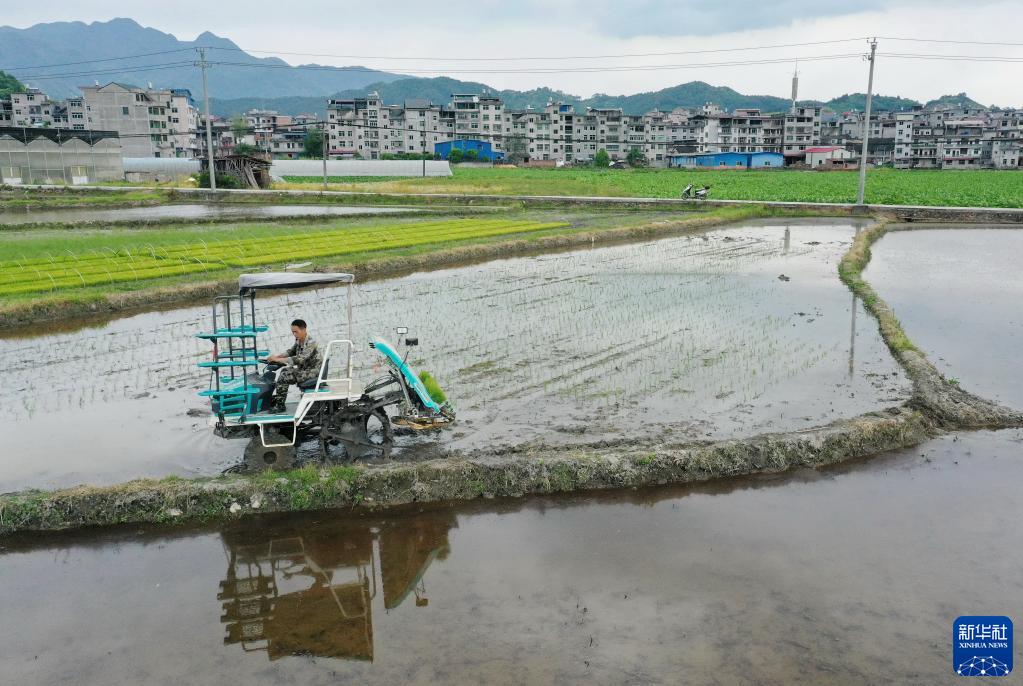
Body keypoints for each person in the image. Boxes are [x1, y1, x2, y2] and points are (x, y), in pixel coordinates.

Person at [266, 319, 321, 413]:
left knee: (284, 376)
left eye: (296, 332)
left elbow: (300, 359)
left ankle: (280, 406)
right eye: (293, 332)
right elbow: (291, 351)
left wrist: (277, 360)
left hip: (312, 372)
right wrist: (276, 357)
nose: (294, 334)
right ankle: (279, 399)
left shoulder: (311, 342)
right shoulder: (299, 340)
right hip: (305, 370)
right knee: (284, 371)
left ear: (304, 330)